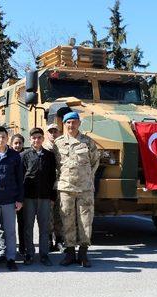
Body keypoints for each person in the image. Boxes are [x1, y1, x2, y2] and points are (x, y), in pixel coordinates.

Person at [53, 112, 99, 268]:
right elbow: (55, 165)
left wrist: (87, 178)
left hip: (85, 189)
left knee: (85, 221)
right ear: (64, 125)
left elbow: (95, 163)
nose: (71, 126)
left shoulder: (88, 142)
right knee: (67, 220)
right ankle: (70, 252)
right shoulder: (58, 143)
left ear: (79, 123)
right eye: (68, 123)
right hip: (65, 188)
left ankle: (84, 253)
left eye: (74, 122)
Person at [0, 127, 23, 272]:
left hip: (9, 199)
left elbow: (20, 179)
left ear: (8, 138)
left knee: (10, 231)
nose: (0, 140)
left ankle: (10, 258)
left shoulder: (14, 156)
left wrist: (19, 199)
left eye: (3, 137)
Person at [21, 127, 57, 266]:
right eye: (34, 138)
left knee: (44, 227)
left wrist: (53, 197)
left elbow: (53, 177)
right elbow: (20, 177)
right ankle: (29, 254)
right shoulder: (24, 156)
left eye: (39, 137)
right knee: (28, 227)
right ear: (30, 139)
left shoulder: (49, 155)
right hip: (28, 198)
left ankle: (44, 254)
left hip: (45, 197)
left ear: (43, 139)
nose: (36, 140)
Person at [44, 123, 64, 251]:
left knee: (60, 214)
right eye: (50, 131)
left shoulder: (63, 147)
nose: (53, 133)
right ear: (47, 133)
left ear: (59, 133)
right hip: (48, 186)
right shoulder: (44, 148)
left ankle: (60, 240)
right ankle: (48, 240)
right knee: (48, 215)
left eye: (55, 131)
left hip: (61, 185)